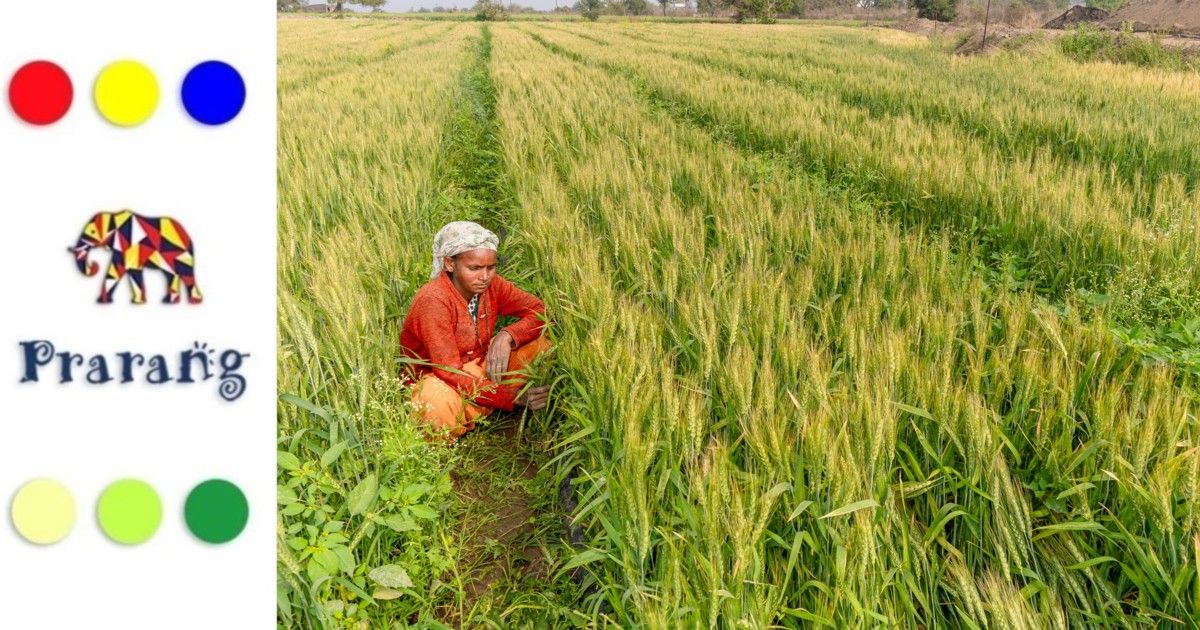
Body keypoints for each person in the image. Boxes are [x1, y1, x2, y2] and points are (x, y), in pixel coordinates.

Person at [399, 221, 551, 442]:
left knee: (542, 346)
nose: (485, 276)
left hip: (480, 367)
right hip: (439, 380)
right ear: (450, 264)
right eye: (475, 268)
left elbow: (539, 311)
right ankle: (487, 404)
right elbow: (449, 372)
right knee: (434, 404)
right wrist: (512, 397)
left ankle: (477, 406)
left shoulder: (492, 286)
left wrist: (507, 336)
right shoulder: (433, 300)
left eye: (491, 267)